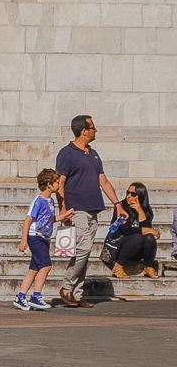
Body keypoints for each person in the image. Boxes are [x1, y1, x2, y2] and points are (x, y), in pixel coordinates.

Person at [55, 115, 123, 308]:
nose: (95, 131)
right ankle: (67, 287)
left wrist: (117, 203)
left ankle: (77, 293)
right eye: (93, 128)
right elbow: (60, 182)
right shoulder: (67, 153)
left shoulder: (93, 153)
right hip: (76, 210)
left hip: (93, 209)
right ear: (83, 130)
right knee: (83, 249)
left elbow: (103, 180)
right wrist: (63, 208)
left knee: (85, 251)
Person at [15, 169, 73, 310]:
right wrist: (24, 241)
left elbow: (49, 219)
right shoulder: (39, 201)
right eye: (57, 182)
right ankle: (36, 296)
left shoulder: (50, 201)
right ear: (49, 184)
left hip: (44, 237)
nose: (59, 185)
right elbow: (28, 220)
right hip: (35, 237)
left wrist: (63, 216)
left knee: (33, 269)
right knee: (46, 266)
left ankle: (20, 297)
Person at [108, 182, 160, 279]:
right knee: (137, 237)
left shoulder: (146, 210)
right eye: (128, 193)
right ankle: (117, 267)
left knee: (149, 238)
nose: (128, 196)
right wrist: (147, 230)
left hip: (136, 249)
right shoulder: (121, 208)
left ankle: (148, 266)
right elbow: (124, 229)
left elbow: (147, 231)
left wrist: (140, 211)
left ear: (140, 196)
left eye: (133, 194)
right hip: (118, 246)